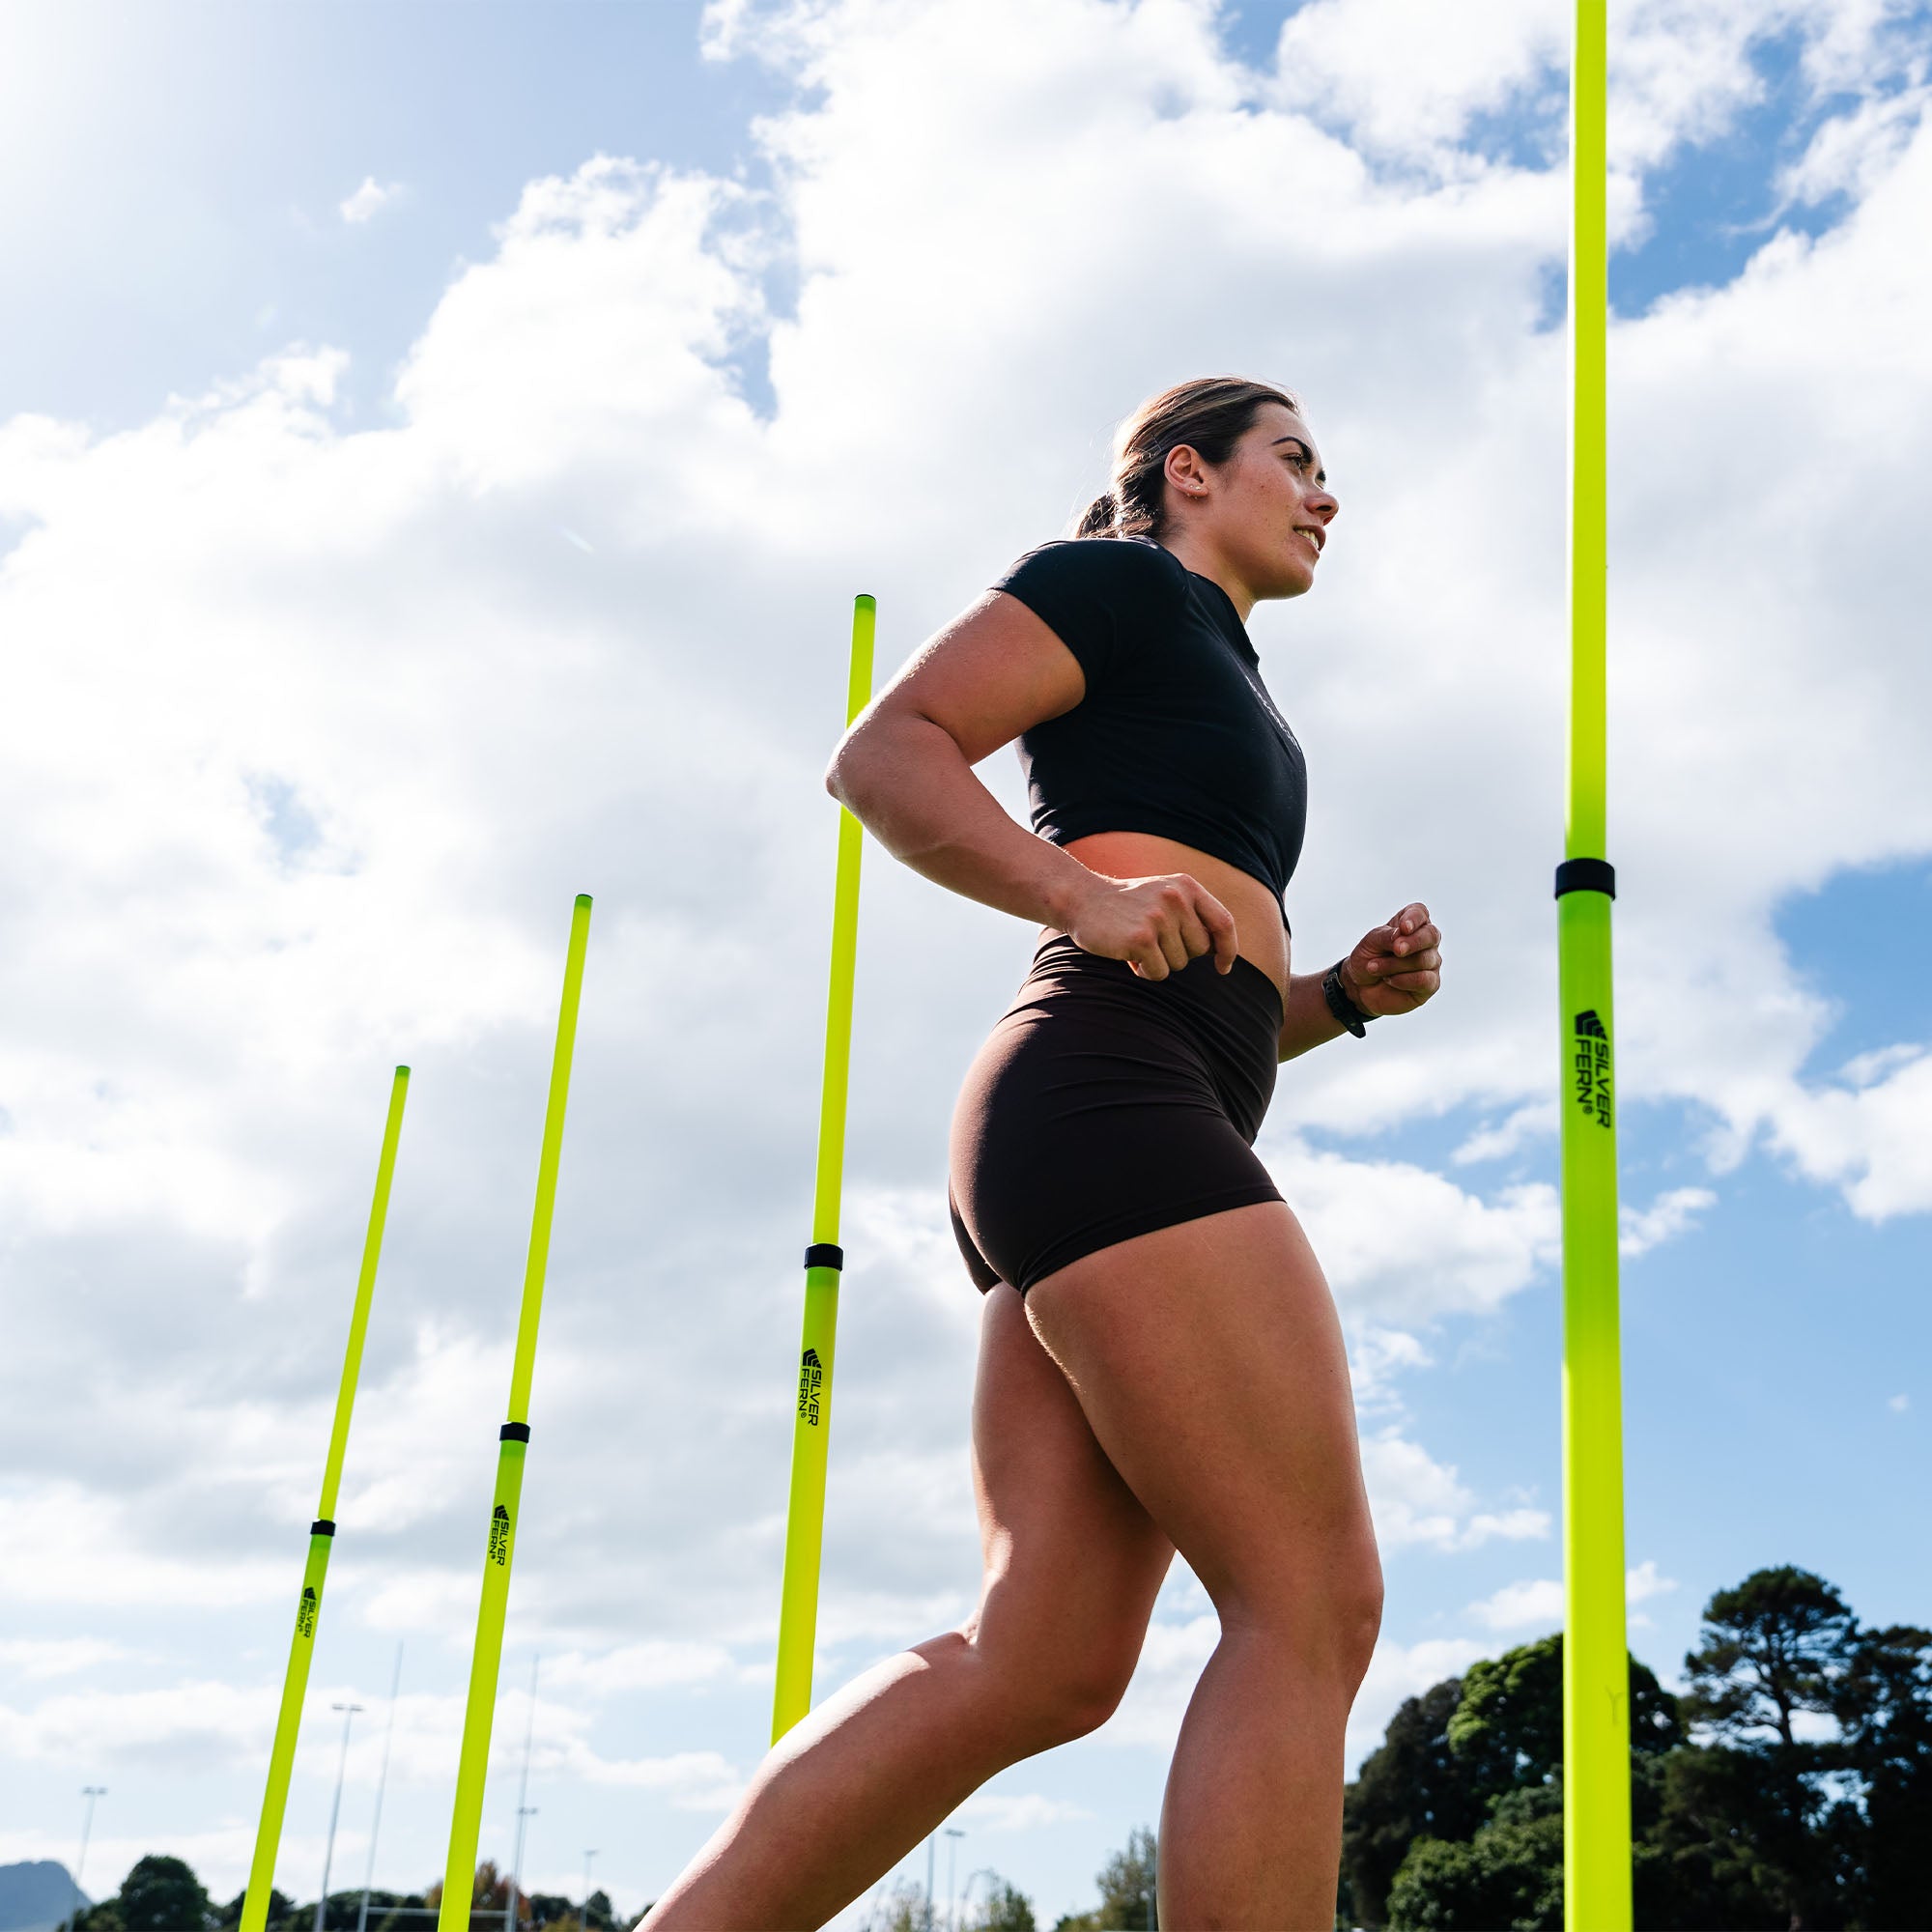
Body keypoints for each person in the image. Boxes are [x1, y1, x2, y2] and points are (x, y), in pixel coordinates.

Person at [642, 375, 1443, 1929]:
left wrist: (1340, 996)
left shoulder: (1230, 675)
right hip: (1103, 1095)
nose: (1325, 494)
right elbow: (887, 754)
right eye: (1295, 460)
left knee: (1047, 1660)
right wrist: (1080, 896)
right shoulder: (1117, 583)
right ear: (1189, 473)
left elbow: (1204, 976)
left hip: (1105, 1119)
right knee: (1308, 1602)